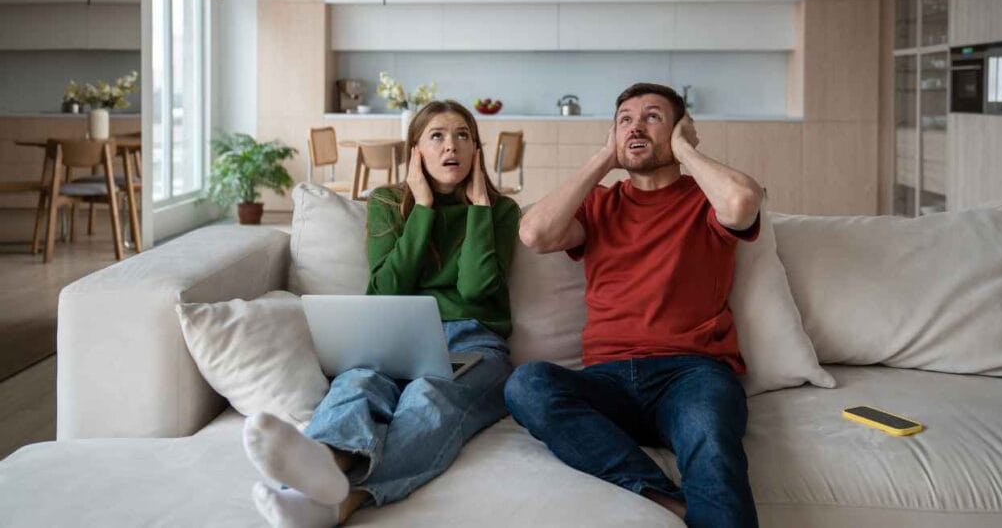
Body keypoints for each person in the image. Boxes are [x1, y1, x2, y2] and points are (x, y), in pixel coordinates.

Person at [243, 100, 521, 528]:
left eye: (463, 136)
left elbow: (475, 290)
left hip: (474, 340)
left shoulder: (499, 211)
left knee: (428, 398)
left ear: (477, 150)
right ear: (416, 152)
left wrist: (479, 208)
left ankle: (338, 503)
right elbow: (386, 290)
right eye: (438, 136)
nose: (452, 146)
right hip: (395, 335)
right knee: (357, 383)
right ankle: (323, 463)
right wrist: (423, 209)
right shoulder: (389, 203)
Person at [504, 83, 764, 528]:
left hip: (691, 374)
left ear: (680, 129)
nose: (636, 127)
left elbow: (742, 204)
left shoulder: (705, 198)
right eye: (625, 119)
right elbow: (535, 234)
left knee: (710, 437)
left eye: (652, 117)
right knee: (527, 385)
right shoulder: (601, 204)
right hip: (609, 380)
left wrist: (685, 150)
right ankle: (664, 501)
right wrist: (606, 158)